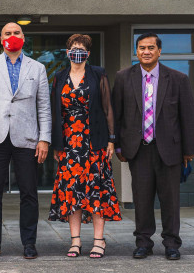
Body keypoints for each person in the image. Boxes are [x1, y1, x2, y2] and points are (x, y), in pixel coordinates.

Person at [112, 32, 194, 261]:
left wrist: (189, 151)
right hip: (138, 150)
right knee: (142, 199)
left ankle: (171, 244)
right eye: (141, 48)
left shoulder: (178, 79)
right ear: (136, 51)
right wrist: (119, 147)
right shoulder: (123, 78)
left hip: (169, 150)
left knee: (170, 200)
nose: (146, 52)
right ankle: (143, 243)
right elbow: (117, 115)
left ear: (159, 51)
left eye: (150, 48)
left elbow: (188, 117)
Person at [0, 22, 52, 260]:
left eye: (16, 33)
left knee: (29, 193)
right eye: (8, 33)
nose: (12, 36)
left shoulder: (37, 68)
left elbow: (44, 108)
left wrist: (44, 139)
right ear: (1, 38)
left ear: (23, 37)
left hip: (27, 138)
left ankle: (29, 243)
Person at [49, 34, 121, 258]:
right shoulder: (59, 77)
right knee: (73, 193)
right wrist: (56, 145)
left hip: (94, 143)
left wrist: (111, 139)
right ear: (67, 51)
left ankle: (99, 241)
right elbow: (54, 112)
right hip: (69, 145)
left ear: (88, 54)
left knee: (96, 193)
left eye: (81, 48)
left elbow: (108, 108)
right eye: (73, 48)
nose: (77, 52)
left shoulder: (98, 74)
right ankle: (75, 241)